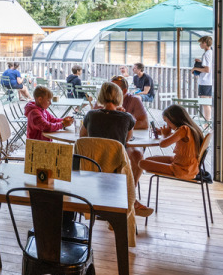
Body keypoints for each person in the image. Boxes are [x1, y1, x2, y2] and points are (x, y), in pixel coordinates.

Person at [81, 81, 153, 217]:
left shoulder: (90, 115)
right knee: (132, 157)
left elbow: (82, 137)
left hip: (91, 164)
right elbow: (126, 140)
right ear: (120, 97)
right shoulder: (127, 118)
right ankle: (128, 201)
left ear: (101, 97)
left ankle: (114, 201)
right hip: (115, 165)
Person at [139, 104, 204, 180]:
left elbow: (163, 144)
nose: (167, 125)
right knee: (148, 159)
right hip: (187, 165)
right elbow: (175, 136)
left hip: (182, 169)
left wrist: (164, 135)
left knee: (142, 163)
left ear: (173, 118)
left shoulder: (184, 129)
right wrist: (163, 133)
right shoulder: (189, 128)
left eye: (166, 121)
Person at [194, 36, 213, 123]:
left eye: (201, 43)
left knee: (205, 104)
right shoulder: (211, 52)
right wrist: (200, 62)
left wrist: (195, 68)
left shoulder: (206, 54)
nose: (200, 45)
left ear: (205, 43)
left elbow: (207, 70)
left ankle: (206, 123)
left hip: (205, 82)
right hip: (210, 82)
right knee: (208, 103)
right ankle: (208, 122)